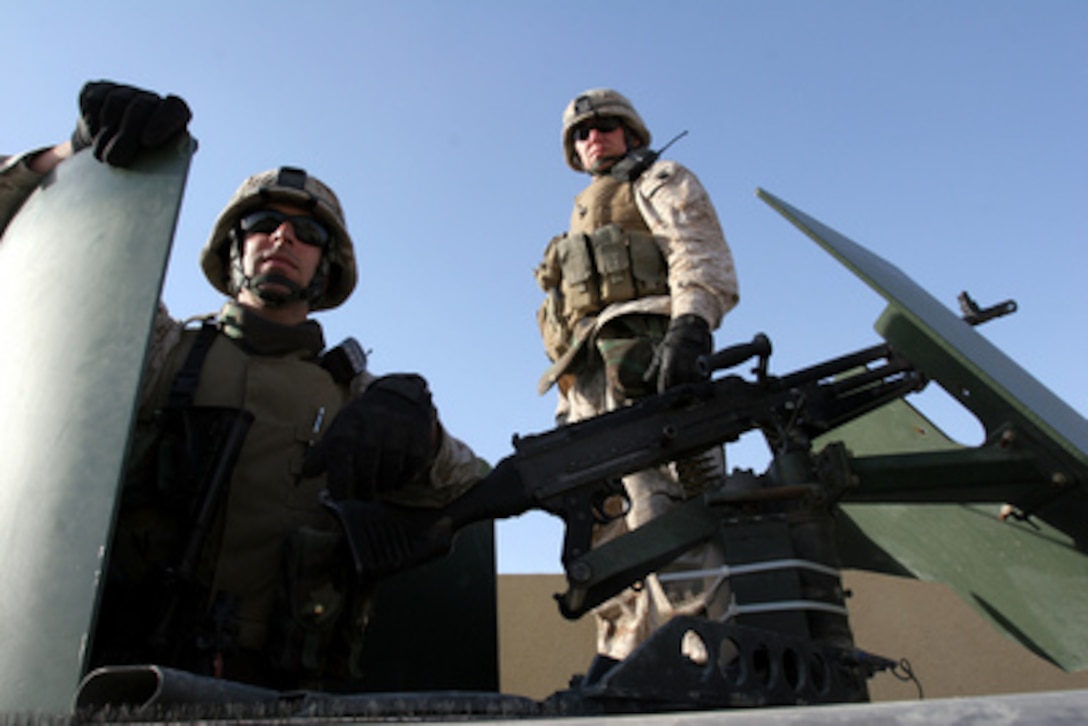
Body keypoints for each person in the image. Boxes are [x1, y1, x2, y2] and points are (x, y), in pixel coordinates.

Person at [1, 81, 486, 691]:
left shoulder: (358, 400)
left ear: (327, 266)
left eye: (308, 234)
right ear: (234, 248)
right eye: (264, 223)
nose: (284, 238)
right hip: (115, 678)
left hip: (279, 689)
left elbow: (474, 490)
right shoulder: (153, 351)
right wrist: (70, 157)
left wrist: (422, 433)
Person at [534, 88, 740, 662]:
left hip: (649, 361)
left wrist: (692, 326)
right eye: (581, 132)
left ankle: (706, 659)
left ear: (630, 132)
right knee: (606, 533)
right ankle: (626, 664)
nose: (592, 137)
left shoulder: (657, 178)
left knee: (666, 516)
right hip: (586, 380)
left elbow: (696, 249)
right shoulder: (580, 214)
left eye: (603, 126)